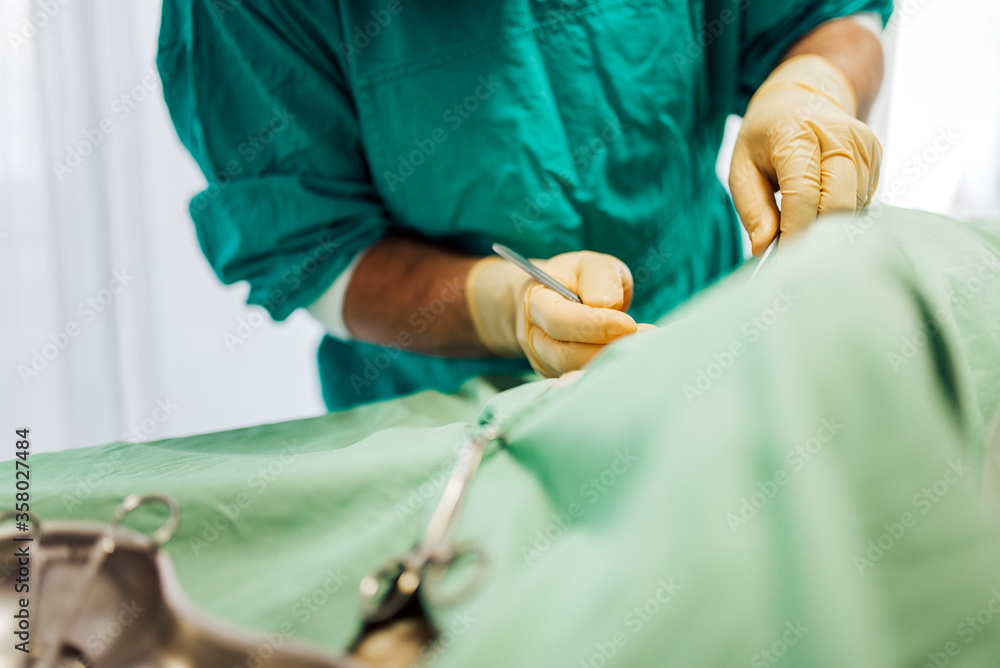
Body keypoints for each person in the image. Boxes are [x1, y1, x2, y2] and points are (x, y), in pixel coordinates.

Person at [157, 0, 891, 409]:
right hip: (439, 422)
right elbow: (314, 249)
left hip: (705, 347)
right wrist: (505, 307)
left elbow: (826, 15)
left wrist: (812, 89)